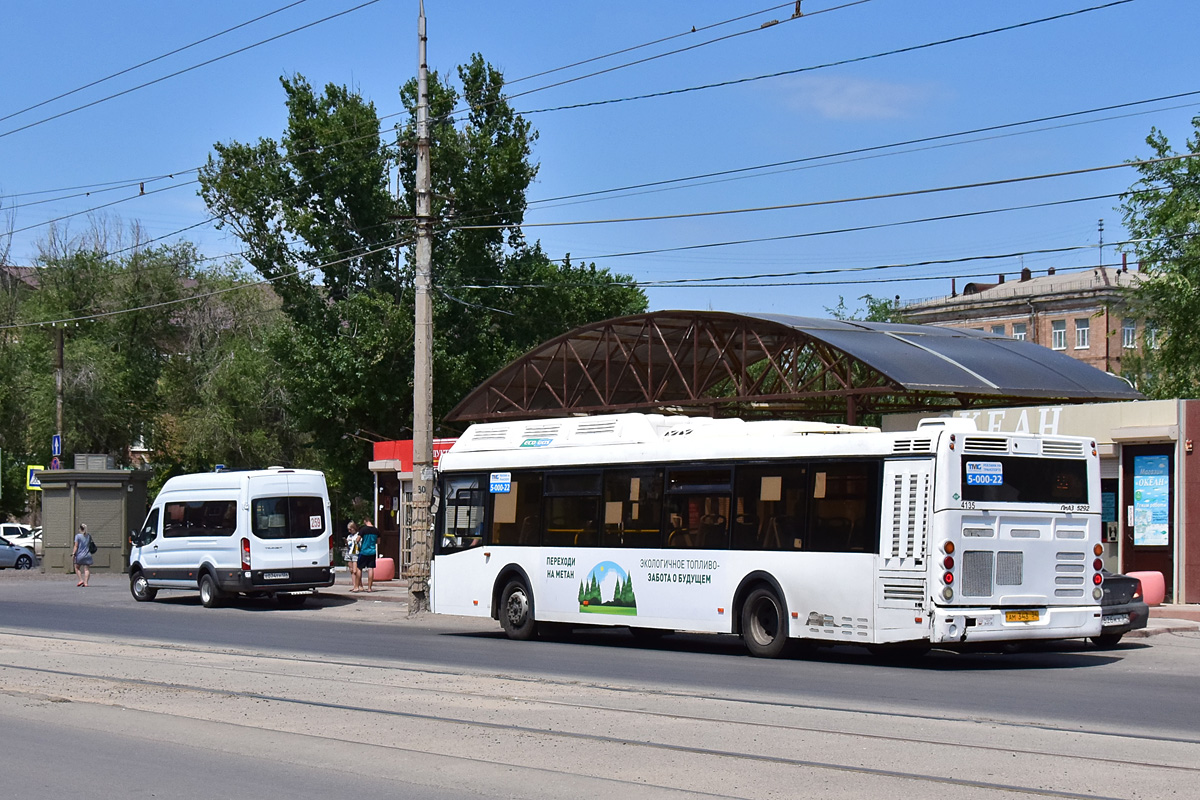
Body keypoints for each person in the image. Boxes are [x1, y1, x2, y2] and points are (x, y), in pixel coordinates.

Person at [357, 517, 379, 593]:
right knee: (371, 568)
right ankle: (369, 588)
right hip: (372, 551)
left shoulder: (363, 529)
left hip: (364, 551)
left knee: (359, 568)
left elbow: (358, 539)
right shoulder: (376, 530)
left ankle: (357, 587)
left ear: (365, 521)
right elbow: (378, 541)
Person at [72, 523, 94, 587]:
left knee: (76, 567)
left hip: (80, 555)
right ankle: (86, 583)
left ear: (80, 529)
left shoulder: (78, 536)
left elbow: (76, 546)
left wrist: (73, 553)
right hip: (88, 555)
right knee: (86, 569)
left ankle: (80, 580)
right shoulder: (88, 536)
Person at [345, 521, 362, 592]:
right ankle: (354, 585)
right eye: (348, 529)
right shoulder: (349, 536)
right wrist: (346, 542)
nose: (349, 531)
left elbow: (359, 544)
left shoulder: (358, 535)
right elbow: (348, 544)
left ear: (354, 528)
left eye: (350, 529)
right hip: (349, 552)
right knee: (351, 570)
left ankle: (359, 585)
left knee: (355, 571)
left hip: (355, 552)